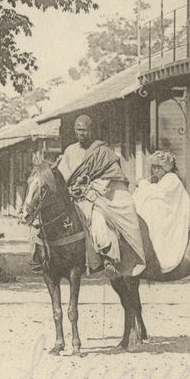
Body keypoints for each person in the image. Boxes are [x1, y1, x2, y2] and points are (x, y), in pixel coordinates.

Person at [57, 114, 145, 276]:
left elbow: (110, 178)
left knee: (100, 224)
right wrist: (69, 190)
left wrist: (87, 186)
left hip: (95, 199)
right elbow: (63, 177)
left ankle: (107, 260)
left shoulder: (103, 152)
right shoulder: (69, 151)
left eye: (84, 130)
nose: (81, 133)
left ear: (91, 130)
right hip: (72, 199)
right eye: (78, 130)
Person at [133, 151, 190, 273]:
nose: (156, 170)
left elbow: (159, 194)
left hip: (175, 212)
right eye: (154, 167)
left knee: (151, 210)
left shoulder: (171, 178)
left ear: (167, 168)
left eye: (159, 167)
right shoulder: (163, 179)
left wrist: (143, 183)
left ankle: (157, 257)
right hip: (168, 208)